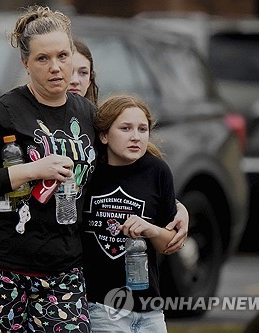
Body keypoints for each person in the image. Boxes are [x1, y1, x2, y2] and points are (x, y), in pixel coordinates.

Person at [0, 5, 96, 333]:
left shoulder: (87, 113)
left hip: (62, 268)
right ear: (25, 64)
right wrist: (31, 170)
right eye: (43, 59)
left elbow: (121, 173)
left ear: (74, 55)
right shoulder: (3, 112)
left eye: (62, 55)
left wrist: (174, 207)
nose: (55, 68)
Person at [67, 39, 188, 254]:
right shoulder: (35, 121)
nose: (75, 80)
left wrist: (177, 208)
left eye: (83, 72)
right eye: (69, 71)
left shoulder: (99, 122)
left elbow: (148, 192)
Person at [82, 94, 178, 332]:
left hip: (149, 310)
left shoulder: (157, 171)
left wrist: (151, 229)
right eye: (125, 128)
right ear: (104, 135)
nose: (136, 136)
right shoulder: (89, 173)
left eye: (142, 129)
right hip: (102, 307)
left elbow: (169, 244)